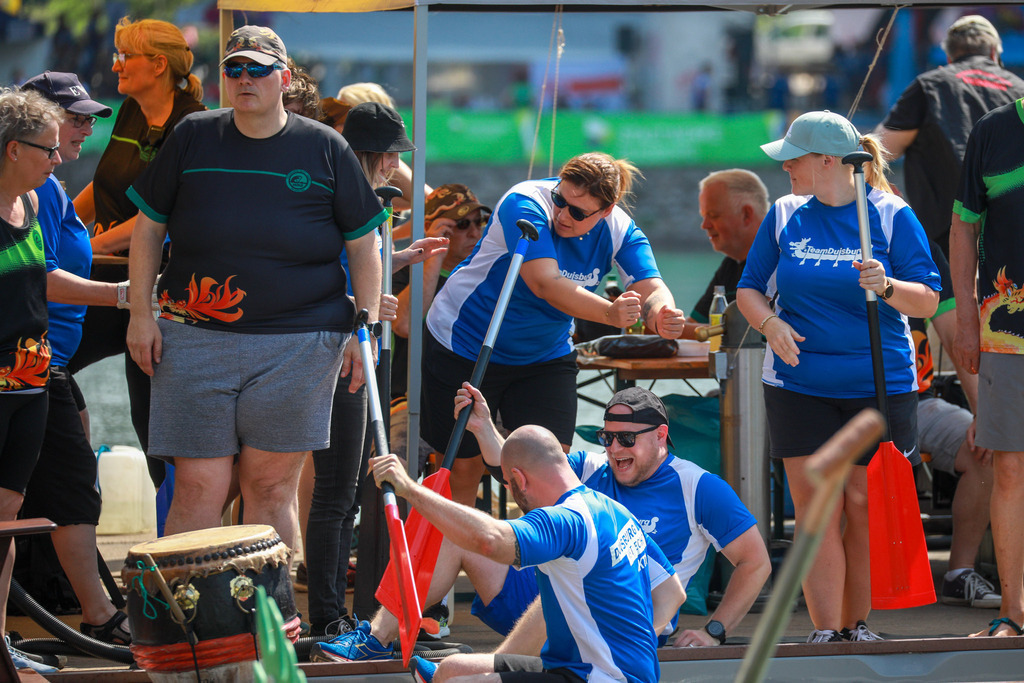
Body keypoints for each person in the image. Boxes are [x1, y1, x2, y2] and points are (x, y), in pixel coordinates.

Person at [124, 26, 385, 555]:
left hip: (301, 341)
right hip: (193, 336)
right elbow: (147, 228)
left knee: (269, 488)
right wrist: (139, 315)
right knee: (199, 487)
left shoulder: (325, 147)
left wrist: (369, 328)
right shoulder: (192, 134)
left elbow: (364, 246)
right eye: (234, 69)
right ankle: (189, 630)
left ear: (284, 79)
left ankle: (269, 627)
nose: (245, 79)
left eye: (258, 69)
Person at [313, 384, 767, 661]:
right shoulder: (594, 467)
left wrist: (713, 631)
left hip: (616, 623)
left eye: (627, 439)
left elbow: (755, 562)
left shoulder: (699, 487)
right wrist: (484, 426)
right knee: (456, 531)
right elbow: (521, 459)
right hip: (545, 602)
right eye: (608, 438)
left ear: (662, 436)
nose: (614, 450)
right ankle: (378, 638)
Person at [737, 110, 940, 643]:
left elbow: (927, 299)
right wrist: (770, 321)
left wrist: (889, 284)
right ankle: (827, 632)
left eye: (793, 158)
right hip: (798, 387)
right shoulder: (783, 213)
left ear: (828, 161)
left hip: (878, 387)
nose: (785, 168)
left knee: (862, 506)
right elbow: (749, 288)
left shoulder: (892, 216)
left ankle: (858, 626)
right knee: (815, 513)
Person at [422, 152, 687, 506]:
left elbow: (650, 286)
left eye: (577, 213)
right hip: (466, 340)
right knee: (463, 471)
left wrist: (663, 312)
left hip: (544, 353)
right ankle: (447, 559)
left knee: (550, 470)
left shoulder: (619, 228)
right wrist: (610, 313)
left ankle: (535, 557)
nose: (562, 215)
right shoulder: (526, 203)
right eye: (561, 201)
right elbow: (545, 283)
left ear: (605, 211)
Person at [298, 99, 444, 637]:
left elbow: (363, 260)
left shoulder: (364, 200)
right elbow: (327, 272)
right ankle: (328, 615)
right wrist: (370, 301)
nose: (393, 167)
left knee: (348, 492)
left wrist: (401, 258)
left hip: (359, 353)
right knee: (336, 493)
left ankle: (339, 612)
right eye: (388, 156)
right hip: (341, 356)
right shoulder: (343, 198)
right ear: (372, 154)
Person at [370, 425, 670, 683]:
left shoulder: (564, 520)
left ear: (519, 479)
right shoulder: (616, 511)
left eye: (510, 486)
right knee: (451, 668)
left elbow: (490, 540)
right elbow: (672, 591)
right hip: (589, 669)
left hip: (599, 677)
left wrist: (409, 489)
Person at [20, 71, 136, 646]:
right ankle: (98, 614)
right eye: (76, 118)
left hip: (50, 363)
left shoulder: (52, 185)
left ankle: (90, 607)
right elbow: (36, 278)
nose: (87, 129)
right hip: (34, 364)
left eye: (91, 119)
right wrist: (122, 295)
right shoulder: (31, 187)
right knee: (71, 489)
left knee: (50, 489)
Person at [69, 17, 205, 488]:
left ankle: (180, 539)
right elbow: (104, 183)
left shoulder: (192, 124)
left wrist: (89, 247)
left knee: (151, 421)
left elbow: (164, 212)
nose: (115, 65)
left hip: (159, 286)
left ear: (159, 64)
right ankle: (64, 483)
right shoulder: (129, 109)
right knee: (45, 363)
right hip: (105, 276)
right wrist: (60, 225)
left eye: (125, 56)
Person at [950, 96, 1024, 637]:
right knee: (1012, 470)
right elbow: (961, 230)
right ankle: (1014, 614)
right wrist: (970, 323)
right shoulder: (992, 132)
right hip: (1006, 333)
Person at [874, 14, 1024, 258]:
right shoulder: (1020, 90)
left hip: (945, 244)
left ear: (948, 56)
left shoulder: (929, 85)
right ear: (995, 54)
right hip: (1011, 243)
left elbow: (881, 149)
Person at [0, 87, 61, 675]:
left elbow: (42, 281)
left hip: (31, 385)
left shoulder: (35, 205)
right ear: (13, 150)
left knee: (8, 516)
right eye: (48, 149)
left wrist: (123, 296)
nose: (58, 159)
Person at [909, 240, 998, 609]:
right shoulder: (821, 241)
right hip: (842, 405)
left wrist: (984, 416)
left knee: (988, 448)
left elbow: (956, 338)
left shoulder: (920, 245)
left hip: (915, 402)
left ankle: (959, 573)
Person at [680, 169, 769, 340]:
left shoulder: (781, 263)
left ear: (746, 214)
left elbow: (746, 336)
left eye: (713, 215)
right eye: (704, 216)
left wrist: (657, 325)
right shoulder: (731, 265)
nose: (704, 225)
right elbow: (692, 325)